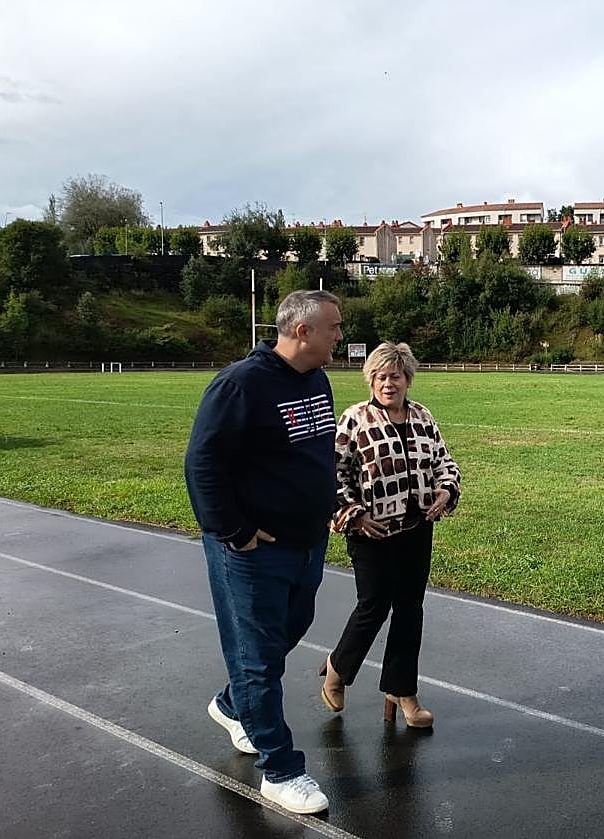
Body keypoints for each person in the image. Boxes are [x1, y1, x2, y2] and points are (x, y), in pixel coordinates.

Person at [184, 289, 343, 814]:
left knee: (286, 634)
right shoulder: (240, 385)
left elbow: (318, 455)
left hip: (307, 541)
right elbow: (202, 465)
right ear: (301, 331)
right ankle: (279, 770)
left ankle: (232, 706)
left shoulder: (317, 381)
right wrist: (234, 530)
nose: (340, 336)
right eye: (333, 328)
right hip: (252, 551)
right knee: (257, 658)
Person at [320, 342, 461, 729]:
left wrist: (446, 490)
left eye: (395, 377)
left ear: (407, 380)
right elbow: (333, 475)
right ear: (371, 379)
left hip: (416, 531)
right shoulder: (354, 420)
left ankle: (403, 693)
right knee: (374, 606)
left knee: (410, 611)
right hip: (372, 533)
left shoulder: (422, 417)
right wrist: (354, 516)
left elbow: (443, 462)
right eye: (380, 377)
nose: (388, 384)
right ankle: (337, 668)